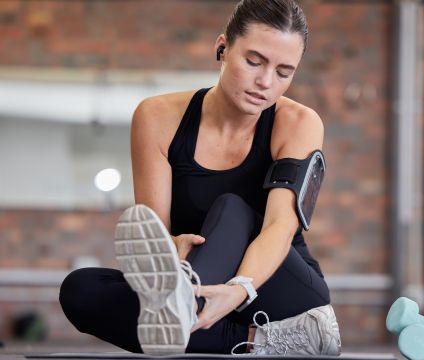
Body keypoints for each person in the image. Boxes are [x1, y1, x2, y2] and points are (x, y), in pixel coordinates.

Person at [59, 0, 341, 355]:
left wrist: (239, 289)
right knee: (81, 289)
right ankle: (251, 341)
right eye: (253, 61)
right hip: (196, 287)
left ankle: (192, 311)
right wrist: (171, 245)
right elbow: (155, 235)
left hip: (279, 293)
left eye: (284, 72)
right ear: (221, 48)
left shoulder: (299, 123)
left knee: (232, 208)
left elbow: (279, 227)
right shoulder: (157, 117)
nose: (265, 82)